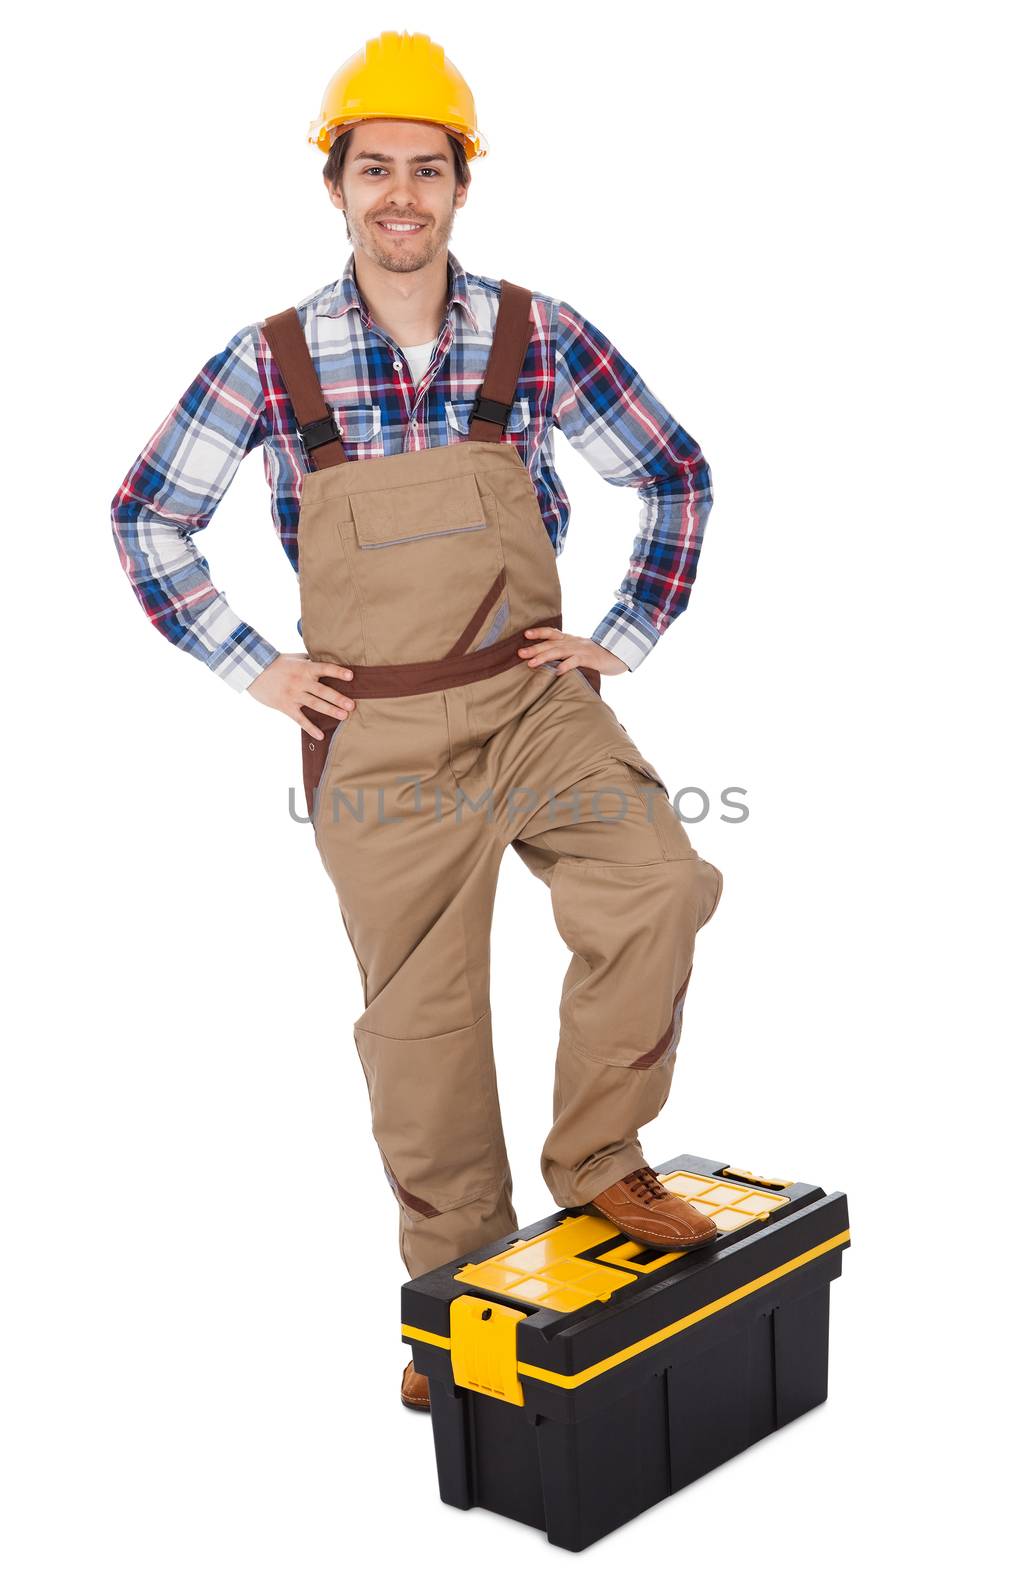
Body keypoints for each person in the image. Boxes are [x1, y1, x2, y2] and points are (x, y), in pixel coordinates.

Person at [110, 30, 724, 1413]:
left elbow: (675, 476)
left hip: (530, 701)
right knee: (422, 1026)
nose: (401, 193)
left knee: (659, 884)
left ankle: (601, 1164)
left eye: (426, 169)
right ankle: (457, 1301)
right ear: (335, 186)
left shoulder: (540, 333)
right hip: (376, 735)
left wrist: (615, 640)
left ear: (462, 186)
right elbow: (147, 514)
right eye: (373, 167)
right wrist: (254, 665)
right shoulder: (270, 360)